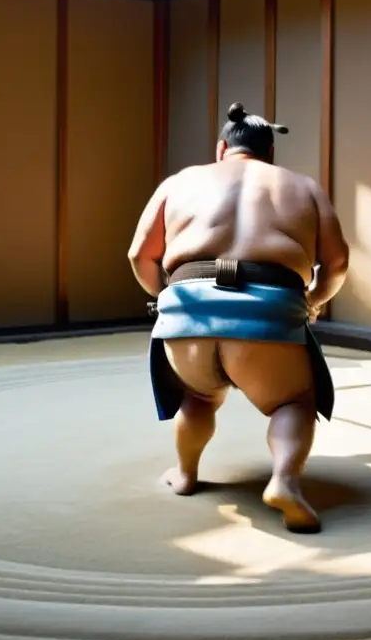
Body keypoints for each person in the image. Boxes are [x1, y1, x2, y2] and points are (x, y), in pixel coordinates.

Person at [127, 101, 349, 533]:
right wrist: (315, 299)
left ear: (221, 149)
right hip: (267, 318)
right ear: (269, 154)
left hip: (187, 314)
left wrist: (166, 298)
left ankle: (186, 473)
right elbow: (336, 263)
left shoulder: (180, 181)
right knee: (294, 402)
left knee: (198, 397)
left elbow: (139, 254)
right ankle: (285, 481)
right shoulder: (302, 187)